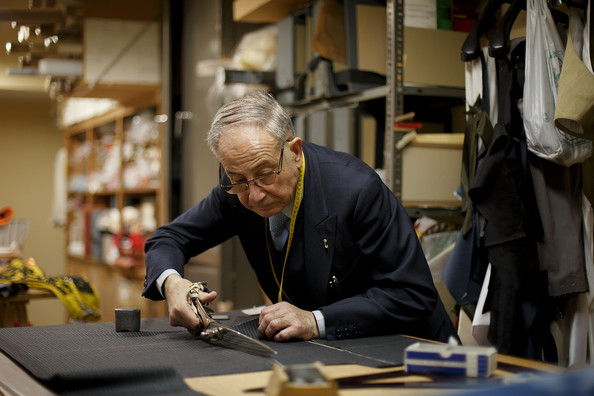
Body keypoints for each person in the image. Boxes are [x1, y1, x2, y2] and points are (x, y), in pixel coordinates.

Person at [142, 91, 457, 343]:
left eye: (266, 174)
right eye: (236, 178)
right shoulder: (237, 189)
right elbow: (168, 239)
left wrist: (314, 320)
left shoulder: (358, 191)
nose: (253, 195)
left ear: (294, 151)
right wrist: (171, 282)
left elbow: (411, 296)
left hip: (414, 350)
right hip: (330, 352)